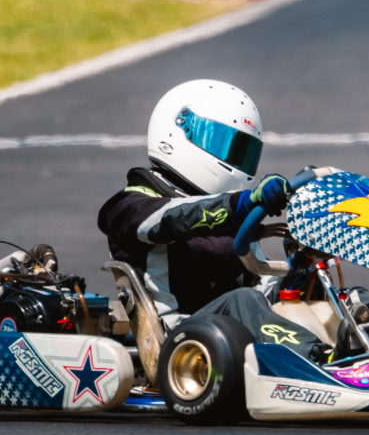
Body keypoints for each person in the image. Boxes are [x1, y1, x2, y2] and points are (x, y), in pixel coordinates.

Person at [95, 79, 326, 361]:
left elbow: (260, 290)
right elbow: (174, 217)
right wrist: (240, 204)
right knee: (243, 301)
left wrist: (298, 276)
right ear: (178, 131)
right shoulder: (129, 207)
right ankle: (319, 360)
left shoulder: (234, 216)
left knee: (328, 292)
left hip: (235, 335)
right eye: (224, 145)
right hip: (182, 342)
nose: (235, 160)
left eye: (241, 151)